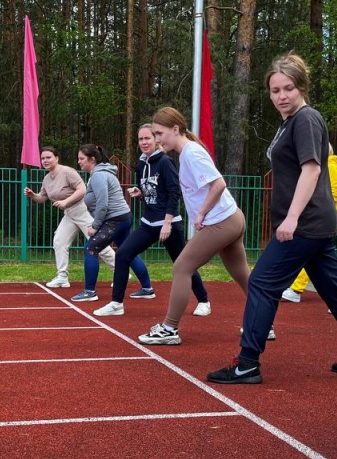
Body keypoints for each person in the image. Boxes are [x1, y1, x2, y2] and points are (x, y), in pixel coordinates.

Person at [206, 53, 337, 384]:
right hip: (314, 223)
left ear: (301, 87)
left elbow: (312, 168)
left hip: (305, 223)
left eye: (288, 88)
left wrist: (292, 218)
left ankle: (246, 364)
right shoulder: (290, 122)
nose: (281, 96)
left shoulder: (306, 119)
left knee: (261, 283)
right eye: (275, 90)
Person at [137, 107, 250, 345]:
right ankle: (264, 322)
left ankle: (169, 328)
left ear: (175, 129)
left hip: (221, 222)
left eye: (159, 133)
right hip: (232, 218)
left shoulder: (190, 153)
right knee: (241, 273)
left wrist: (201, 213)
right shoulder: (188, 152)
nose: (157, 140)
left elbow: (218, 184)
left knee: (182, 267)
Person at [94, 124, 211, 317]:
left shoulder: (165, 162)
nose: (144, 142)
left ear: (156, 140)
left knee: (183, 264)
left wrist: (167, 223)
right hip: (149, 223)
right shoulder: (141, 165)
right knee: (122, 254)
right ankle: (116, 303)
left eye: (147, 138)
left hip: (169, 224)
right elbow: (152, 192)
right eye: (140, 139)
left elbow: (174, 193)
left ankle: (204, 301)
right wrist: (139, 193)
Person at [70, 144, 153, 303]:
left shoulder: (99, 176)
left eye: (81, 158)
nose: (79, 162)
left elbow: (103, 203)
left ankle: (89, 292)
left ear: (92, 159)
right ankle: (147, 288)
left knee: (91, 248)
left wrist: (95, 226)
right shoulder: (100, 174)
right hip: (122, 217)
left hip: (115, 219)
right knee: (127, 251)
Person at [24, 146, 114, 288]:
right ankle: (62, 277)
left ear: (56, 158)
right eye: (43, 158)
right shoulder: (47, 178)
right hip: (69, 214)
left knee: (98, 243)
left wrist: (66, 201)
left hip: (82, 210)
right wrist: (33, 195)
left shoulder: (67, 172)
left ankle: (120, 272)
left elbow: (82, 189)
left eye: (48, 157)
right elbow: (42, 197)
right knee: (59, 241)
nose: (45, 160)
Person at [280, 150, 337, 304]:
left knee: (310, 257)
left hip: (325, 222)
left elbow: (334, 193)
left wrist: (313, 205)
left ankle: (297, 289)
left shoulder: (332, 167)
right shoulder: (324, 166)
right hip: (320, 221)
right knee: (322, 262)